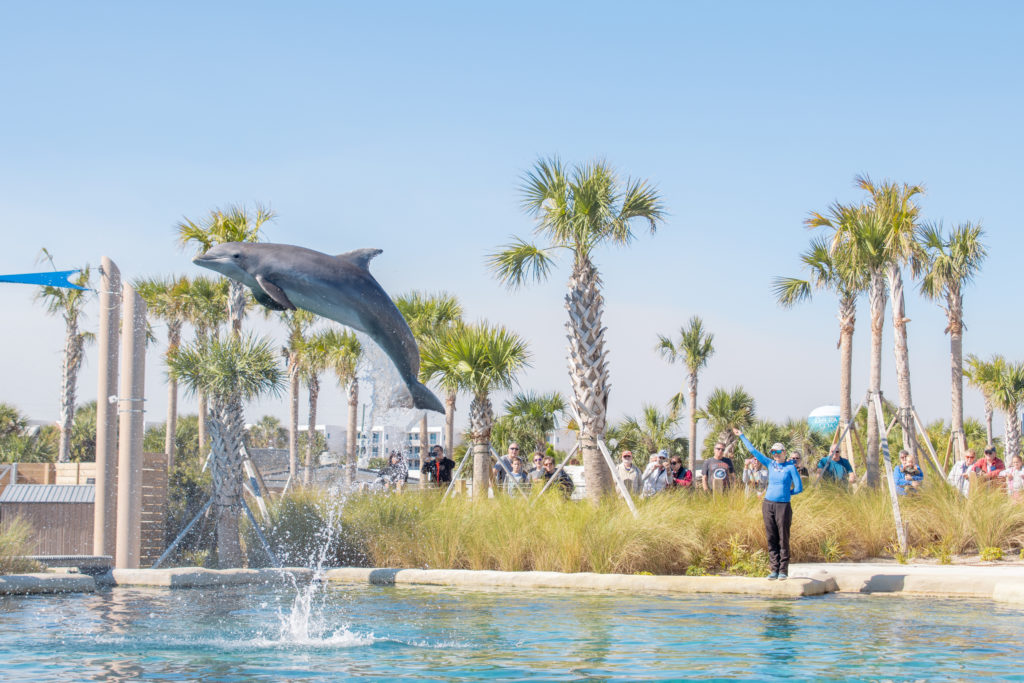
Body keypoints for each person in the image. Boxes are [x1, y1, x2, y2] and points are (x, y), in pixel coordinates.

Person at [734, 428, 803, 580]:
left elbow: (799, 488)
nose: (776, 455)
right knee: (771, 536)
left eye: (778, 452)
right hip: (768, 504)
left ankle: (783, 570)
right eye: (773, 452)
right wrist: (742, 436)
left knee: (783, 538)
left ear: (784, 452)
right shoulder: (770, 464)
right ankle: (774, 569)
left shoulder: (790, 467)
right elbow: (753, 450)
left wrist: (787, 493)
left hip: (783, 506)